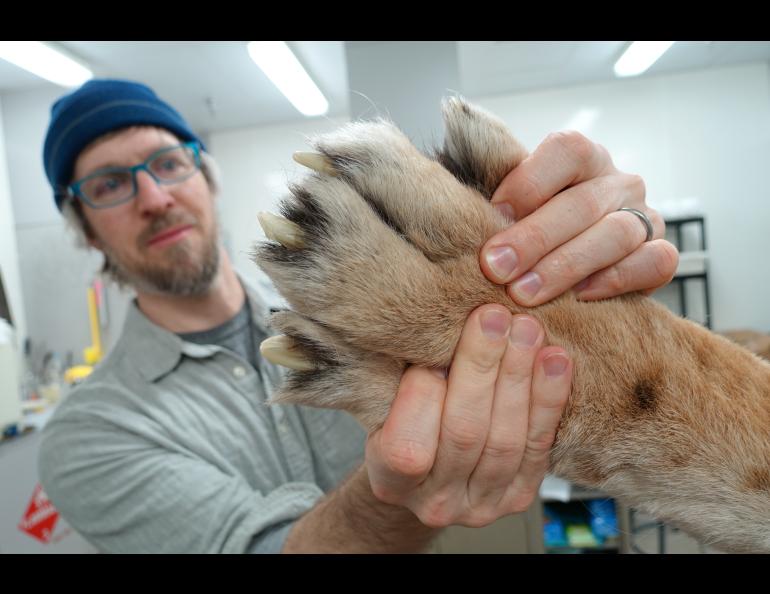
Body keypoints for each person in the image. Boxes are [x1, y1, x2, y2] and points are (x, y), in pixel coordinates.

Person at [37, 78, 678, 553]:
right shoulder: (90, 434)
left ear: (205, 178)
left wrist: (582, 256)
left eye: (168, 163)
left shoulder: (344, 306)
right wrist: (396, 488)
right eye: (109, 184)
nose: (153, 197)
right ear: (86, 230)